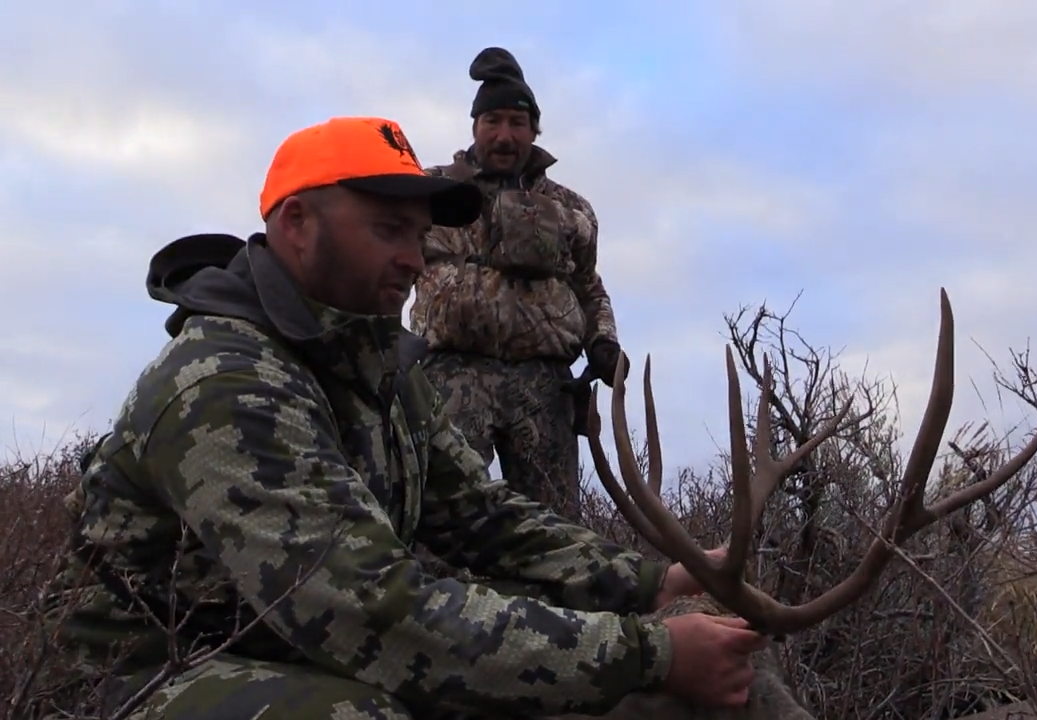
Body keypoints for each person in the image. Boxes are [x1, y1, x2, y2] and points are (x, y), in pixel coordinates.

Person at [40, 116, 766, 720]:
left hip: (296, 648)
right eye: (390, 230)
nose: (415, 260)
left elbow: (484, 517)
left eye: (420, 237)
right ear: (297, 223)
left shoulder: (380, 365)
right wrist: (650, 656)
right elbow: (371, 612)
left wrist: (647, 585)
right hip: (155, 677)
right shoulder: (226, 384)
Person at [408, 47, 623, 519]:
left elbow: (589, 287)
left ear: (534, 131)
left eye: (517, 123)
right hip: (450, 377)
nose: (505, 135)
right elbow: (389, 269)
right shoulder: (432, 191)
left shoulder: (572, 208)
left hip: (542, 386)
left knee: (555, 525)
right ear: (475, 127)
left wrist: (604, 342)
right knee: (442, 518)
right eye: (493, 121)